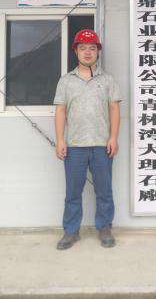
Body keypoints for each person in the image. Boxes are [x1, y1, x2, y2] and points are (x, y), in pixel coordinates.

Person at [53, 29, 121, 250]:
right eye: (83, 48)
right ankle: (71, 231)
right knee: (73, 192)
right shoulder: (66, 81)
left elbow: (114, 109)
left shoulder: (108, 79)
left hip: (102, 145)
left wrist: (113, 137)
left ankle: (105, 228)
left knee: (104, 191)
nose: (88, 52)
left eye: (92, 48)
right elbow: (60, 111)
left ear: (98, 51)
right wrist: (60, 140)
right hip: (75, 146)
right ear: (76, 51)